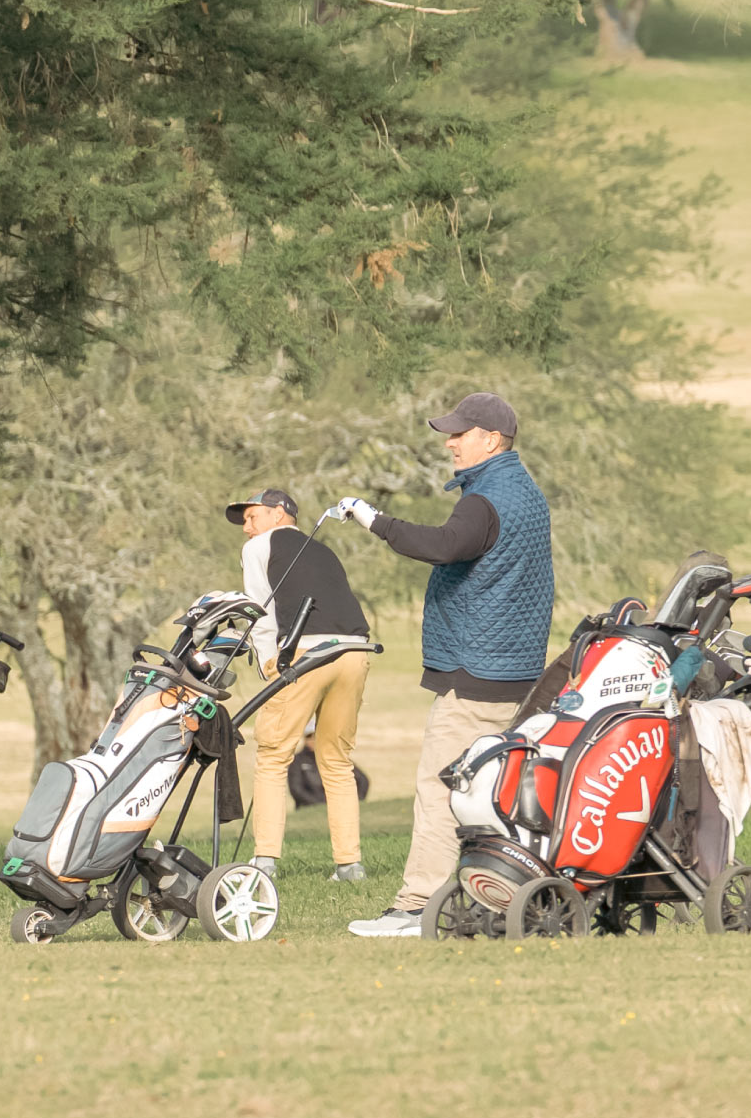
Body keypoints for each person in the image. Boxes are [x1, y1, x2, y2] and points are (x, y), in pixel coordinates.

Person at [335, 392, 554, 938]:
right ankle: (504, 895)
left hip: (477, 671)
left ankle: (418, 907)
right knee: (500, 794)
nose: (450, 443)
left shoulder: (485, 500)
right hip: (517, 672)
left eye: (460, 433)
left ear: (492, 440)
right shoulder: (524, 490)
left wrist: (373, 520)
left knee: (441, 790)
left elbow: (443, 545)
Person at [226, 488, 373, 882]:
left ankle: (264, 863)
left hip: (306, 654)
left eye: (252, 517)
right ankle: (349, 865)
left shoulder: (261, 546)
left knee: (273, 755)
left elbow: (258, 608)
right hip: (355, 653)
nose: (246, 527)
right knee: (337, 761)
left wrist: (267, 666)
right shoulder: (323, 550)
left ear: (278, 514)